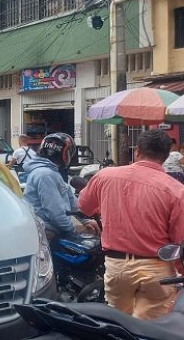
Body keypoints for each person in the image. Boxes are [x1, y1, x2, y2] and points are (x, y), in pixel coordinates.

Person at [78, 129, 184, 320]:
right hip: (157, 268)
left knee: (118, 323)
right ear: (166, 156)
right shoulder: (176, 190)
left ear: (137, 151)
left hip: (117, 265)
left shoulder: (106, 176)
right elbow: (179, 239)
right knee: (149, 328)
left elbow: (84, 206)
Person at [23, 133, 100, 240]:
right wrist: (74, 230)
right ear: (63, 153)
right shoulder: (45, 174)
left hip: (54, 227)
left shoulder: (53, 173)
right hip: (46, 231)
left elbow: (72, 201)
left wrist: (85, 220)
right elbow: (55, 212)